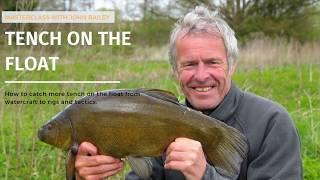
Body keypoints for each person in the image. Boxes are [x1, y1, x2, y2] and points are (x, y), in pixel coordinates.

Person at [74, 6, 302, 180]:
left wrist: (205, 175)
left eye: (212, 62)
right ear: (175, 71)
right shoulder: (155, 121)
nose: (201, 75)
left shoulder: (272, 122)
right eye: (190, 64)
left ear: (232, 65)